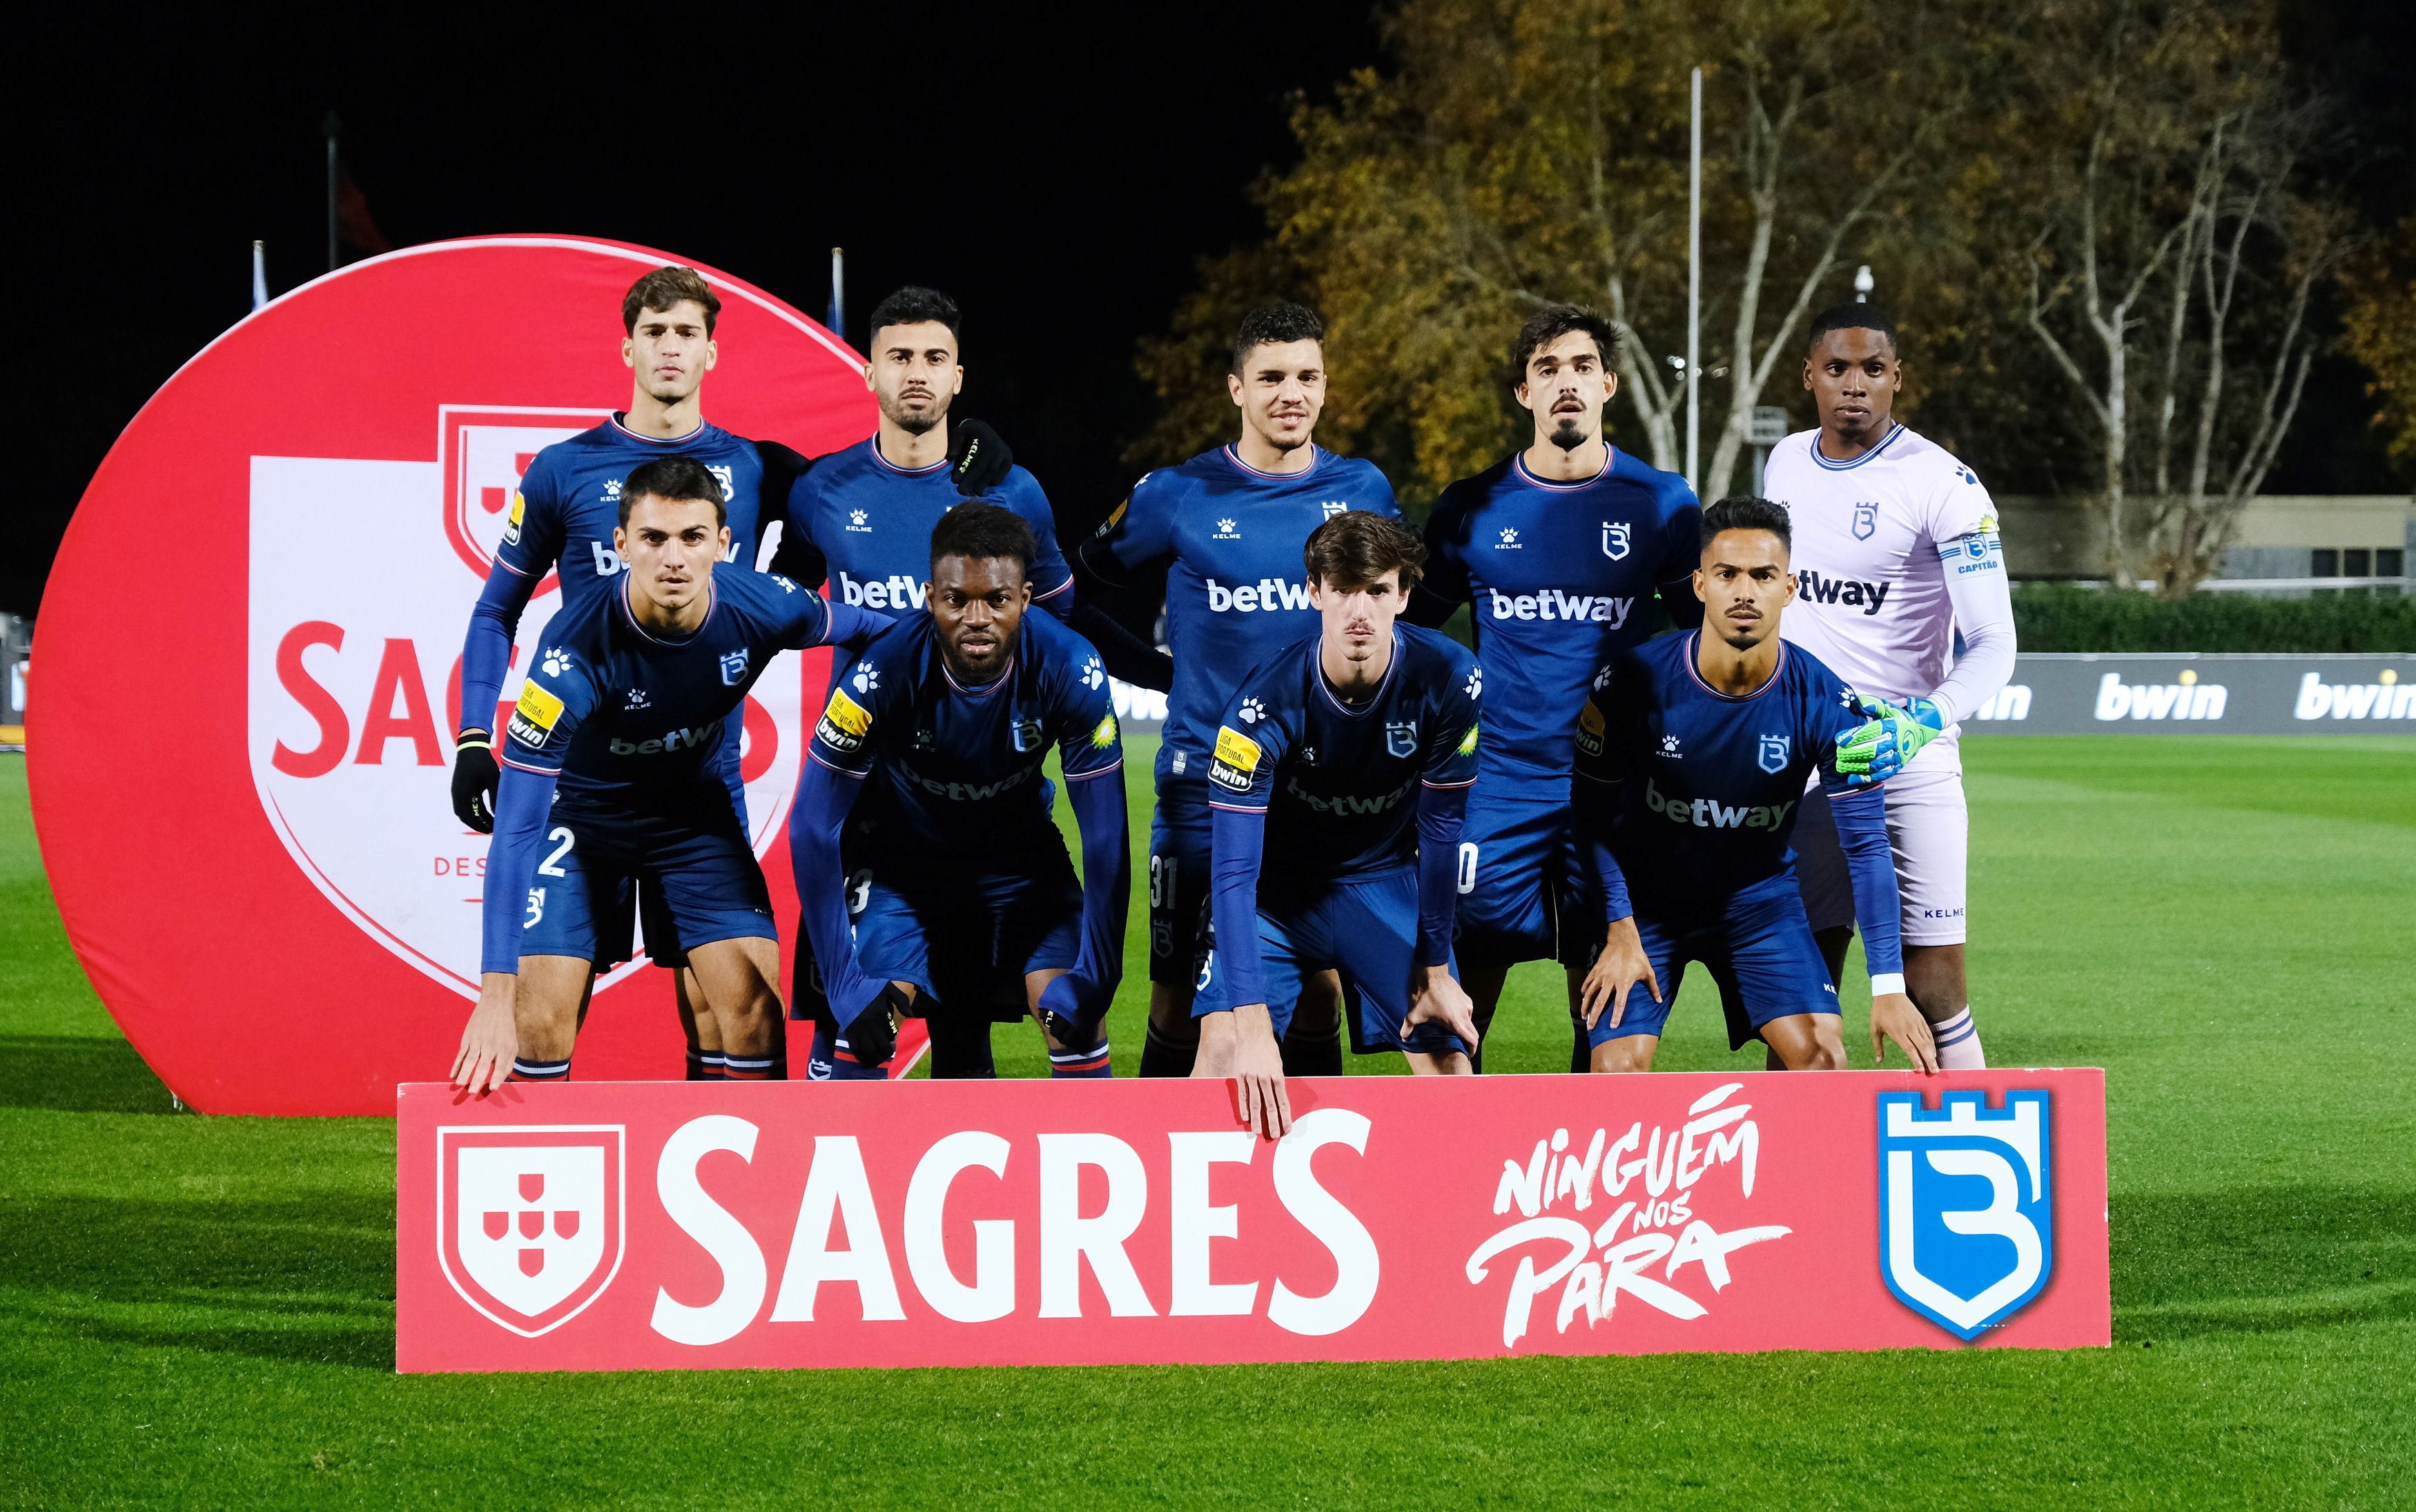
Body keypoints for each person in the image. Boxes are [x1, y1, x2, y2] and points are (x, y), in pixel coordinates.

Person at [449, 265, 1010, 1079]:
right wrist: (473, 734)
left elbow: (867, 477)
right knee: (539, 1015)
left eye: (686, 333)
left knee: (738, 1007)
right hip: (586, 780)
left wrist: (971, 448)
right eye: (655, 332)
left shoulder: (754, 468)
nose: (670, 348)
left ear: (712, 352)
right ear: (627, 347)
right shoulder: (562, 471)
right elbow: (495, 610)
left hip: (701, 787)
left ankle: (718, 1185)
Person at [449, 458, 882, 1092]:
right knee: (535, 1021)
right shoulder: (571, 655)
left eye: (693, 538)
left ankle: (749, 1188)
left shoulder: (762, 604)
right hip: (585, 819)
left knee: (755, 1015)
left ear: (723, 544)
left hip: (694, 817)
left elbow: (886, 633)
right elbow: (516, 831)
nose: (673, 558)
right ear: (621, 545)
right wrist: (492, 997)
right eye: (654, 539)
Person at [1075, 302, 1401, 1081]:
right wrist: (1159, 673)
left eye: (1306, 376)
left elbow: (1386, 619)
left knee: (1318, 991)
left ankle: (1311, 1171)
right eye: (1271, 378)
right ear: (1236, 387)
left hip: (1320, 791)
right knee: (1177, 1002)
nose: (1291, 393)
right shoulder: (1179, 493)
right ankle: (1163, 1179)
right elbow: (1075, 589)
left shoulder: (1363, 488)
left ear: (1324, 386)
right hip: (1202, 784)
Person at [773, 286, 1073, 1070]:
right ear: (868, 370)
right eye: (899, 356)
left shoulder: (1012, 490)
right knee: (849, 1022)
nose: (916, 373)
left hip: (984, 802)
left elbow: (1064, 619)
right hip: (865, 804)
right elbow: (784, 604)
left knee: (964, 1025)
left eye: (933, 358)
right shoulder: (821, 490)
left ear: (958, 377)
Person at [1414, 305, 1701, 1070]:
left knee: (1603, 1006)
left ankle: (1577, 1179)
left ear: (1608, 384)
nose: (1565, 382)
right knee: (1454, 1004)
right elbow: (1409, 627)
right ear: (1522, 394)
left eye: (1580, 367)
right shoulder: (1469, 505)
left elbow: (1698, 641)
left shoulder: (1662, 502)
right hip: (1496, 783)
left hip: (1612, 794)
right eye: (1546, 369)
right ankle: (1460, 1173)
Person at [1570, 495, 1938, 1075]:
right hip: (1646, 907)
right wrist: (1617, 928)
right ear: (1699, 585)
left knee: (1823, 1060)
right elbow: (1590, 816)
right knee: (1617, 1072)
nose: (1745, 592)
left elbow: (1866, 847)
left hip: (1758, 904)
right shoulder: (1631, 682)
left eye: (1764, 575)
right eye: (1728, 574)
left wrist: (1888, 984)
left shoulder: (1828, 701)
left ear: (1789, 588)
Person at [790, 504, 1128, 1080]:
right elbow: (809, 826)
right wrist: (847, 989)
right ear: (930, 597)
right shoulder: (883, 670)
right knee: (858, 1027)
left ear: (1025, 597)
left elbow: (1106, 839)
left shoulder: (1071, 668)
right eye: (956, 600)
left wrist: (1098, 976)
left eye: (996, 600)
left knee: (1075, 1015)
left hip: (1021, 867)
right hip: (906, 868)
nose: (977, 618)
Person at [1766, 304, 2016, 1070]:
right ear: (1808, 375)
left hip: (1908, 758)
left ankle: (1974, 1163)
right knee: (1799, 989)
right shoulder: (1781, 463)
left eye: (1872, 369)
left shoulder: (1945, 485)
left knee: (1933, 984)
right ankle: (1794, 1177)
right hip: (1803, 760)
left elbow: (1993, 645)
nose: (1853, 385)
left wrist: (1920, 721)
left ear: (1896, 378)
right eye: (1836, 368)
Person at [1191, 511, 1483, 1139]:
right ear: (1314, 591)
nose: (1360, 611)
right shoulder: (1258, 708)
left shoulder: (1451, 679)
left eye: (1377, 590)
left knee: (1453, 1065)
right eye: (1344, 589)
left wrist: (1434, 969)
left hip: (1381, 884)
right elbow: (1234, 873)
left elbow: (1439, 835)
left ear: (1405, 595)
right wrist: (1251, 1025)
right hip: (1276, 896)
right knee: (1219, 1062)